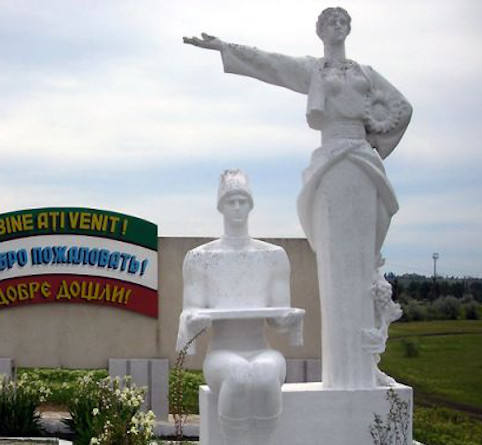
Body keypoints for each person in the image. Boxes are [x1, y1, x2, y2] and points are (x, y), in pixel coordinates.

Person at [184, 7, 412, 389]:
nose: (336, 27)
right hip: (332, 167)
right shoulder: (313, 71)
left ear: (348, 30)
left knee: (362, 268)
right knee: (338, 269)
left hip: (363, 165)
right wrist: (225, 46)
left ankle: (365, 364)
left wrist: (375, 143)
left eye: (342, 21)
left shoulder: (365, 73)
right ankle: (345, 373)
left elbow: (402, 109)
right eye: (329, 22)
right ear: (320, 31)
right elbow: (269, 64)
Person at [177, 169, 303, 445]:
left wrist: (290, 319)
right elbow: (192, 314)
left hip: (260, 348)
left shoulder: (272, 257)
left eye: (242, 201)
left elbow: (278, 320)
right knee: (237, 376)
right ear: (221, 206)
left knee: (267, 375)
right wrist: (194, 320)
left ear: (250, 205)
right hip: (222, 353)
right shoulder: (201, 258)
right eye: (231, 201)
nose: (236, 207)